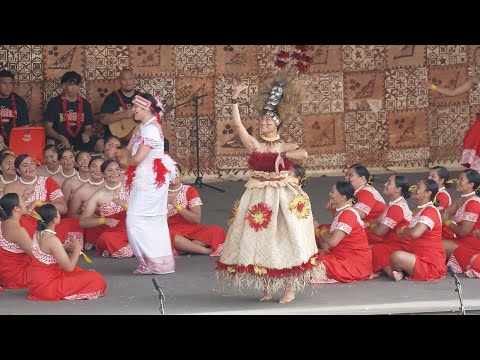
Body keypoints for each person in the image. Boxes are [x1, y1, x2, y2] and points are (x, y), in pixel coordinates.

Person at [216, 82, 324, 304]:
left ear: (276, 125)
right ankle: (266, 288)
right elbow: (237, 126)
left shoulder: (282, 145)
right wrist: (235, 99)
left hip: (282, 196)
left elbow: (303, 153)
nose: (263, 123)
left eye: (268, 121)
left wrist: (283, 156)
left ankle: (289, 288)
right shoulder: (254, 144)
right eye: (262, 121)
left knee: (286, 238)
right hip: (258, 197)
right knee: (259, 239)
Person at [116, 93, 176, 275]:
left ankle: (154, 262)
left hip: (150, 179)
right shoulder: (143, 127)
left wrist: (124, 161)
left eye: (135, 107)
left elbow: (137, 158)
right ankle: (158, 263)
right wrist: (123, 154)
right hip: (146, 178)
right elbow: (128, 149)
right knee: (149, 219)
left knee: (137, 218)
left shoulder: (149, 130)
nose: (132, 110)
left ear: (146, 108)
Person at [27, 203, 107, 301]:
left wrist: (63, 247)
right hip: (48, 286)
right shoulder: (52, 239)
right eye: (58, 214)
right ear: (55, 220)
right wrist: (77, 249)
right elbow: (69, 267)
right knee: (97, 279)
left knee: (77, 271)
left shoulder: (38, 233)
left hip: (36, 282)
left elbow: (48, 250)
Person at [3, 154, 83, 247]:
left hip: (49, 223)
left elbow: (63, 208)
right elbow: (7, 214)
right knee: (19, 224)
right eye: (25, 165)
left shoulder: (47, 182)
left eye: (32, 163)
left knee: (74, 222)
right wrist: (25, 206)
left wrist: (38, 203)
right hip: (25, 223)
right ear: (18, 170)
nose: (31, 167)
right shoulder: (10, 188)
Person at [420, 50, 480, 171]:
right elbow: (453, 92)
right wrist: (432, 87)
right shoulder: (476, 78)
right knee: (471, 140)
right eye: (476, 57)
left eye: (479, 56)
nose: (477, 59)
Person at [312, 181, 373, 283]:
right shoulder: (342, 211)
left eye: (332, 192)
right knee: (309, 256)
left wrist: (321, 232)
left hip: (353, 264)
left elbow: (332, 242)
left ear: (343, 197)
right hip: (343, 256)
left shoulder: (348, 214)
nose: (329, 194)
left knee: (310, 263)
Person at [392, 178, 446, 281]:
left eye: (418, 187)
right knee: (391, 251)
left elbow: (416, 233)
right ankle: (401, 272)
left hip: (429, 262)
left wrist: (404, 230)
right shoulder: (419, 209)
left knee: (396, 256)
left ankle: (402, 272)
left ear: (427, 193)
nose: (414, 188)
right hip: (417, 253)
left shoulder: (430, 211)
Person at [167, 163, 226, 256]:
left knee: (216, 230)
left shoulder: (190, 190)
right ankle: (204, 250)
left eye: (176, 171)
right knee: (168, 235)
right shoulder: (158, 192)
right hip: (171, 231)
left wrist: (176, 206)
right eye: (169, 172)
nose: (174, 175)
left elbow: (196, 219)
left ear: (181, 174)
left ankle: (183, 248)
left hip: (191, 230)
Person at [79, 160, 132, 258]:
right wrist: (104, 220)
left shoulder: (129, 185)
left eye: (117, 169)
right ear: (103, 174)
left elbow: (145, 207)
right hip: (115, 231)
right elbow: (83, 221)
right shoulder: (98, 195)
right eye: (110, 170)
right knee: (105, 237)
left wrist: (125, 205)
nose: (115, 173)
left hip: (134, 226)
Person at [43, 71, 103, 152]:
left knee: (100, 143)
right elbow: (48, 128)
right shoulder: (54, 103)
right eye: (71, 85)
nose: (74, 88)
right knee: (50, 143)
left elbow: (89, 128)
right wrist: (60, 137)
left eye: (76, 85)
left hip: (79, 140)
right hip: (60, 140)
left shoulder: (85, 104)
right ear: (64, 86)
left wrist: (86, 134)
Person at [368, 175, 413, 279]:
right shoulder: (393, 204)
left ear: (398, 189)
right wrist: (367, 224)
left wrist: (370, 226)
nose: (385, 184)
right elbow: (378, 220)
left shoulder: (397, 207)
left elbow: (380, 231)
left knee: (375, 249)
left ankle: (392, 272)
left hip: (401, 245)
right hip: (392, 242)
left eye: (389, 183)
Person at [441, 169, 480, 278]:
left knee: (433, 247)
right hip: (461, 240)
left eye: (461, 179)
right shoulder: (460, 200)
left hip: (472, 244)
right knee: (429, 244)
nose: (457, 181)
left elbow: (463, 232)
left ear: (471, 185)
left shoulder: (473, 203)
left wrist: (448, 222)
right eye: (458, 179)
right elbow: (444, 213)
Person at [344, 164, 386, 245]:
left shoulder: (366, 192)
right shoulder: (358, 192)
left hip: (370, 232)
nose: (346, 178)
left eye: (350, 175)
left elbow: (355, 216)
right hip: (362, 229)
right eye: (346, 175)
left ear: (362, 179)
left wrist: (338, 206)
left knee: (328, 232)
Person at [0, 192, 32, 289]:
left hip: (6, 274)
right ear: (16, 208)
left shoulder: (3, 223)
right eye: (22, 200)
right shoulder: (18, 230)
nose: (25, 202)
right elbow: (38, 255)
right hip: (18, 276)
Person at [0, 69, 29, 146]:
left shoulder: (19, 101)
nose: (8, 86)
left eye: (10, 83)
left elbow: (25, 126)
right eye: (4, 83)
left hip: (16, 141)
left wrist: (17, 142)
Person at [428, 166, 455, 239]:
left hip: (443, 233)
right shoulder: (434, 193)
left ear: (441, 180)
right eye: (429, 175)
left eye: (432, 176)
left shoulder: (442, 195)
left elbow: (433, 214)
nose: (429, 178)